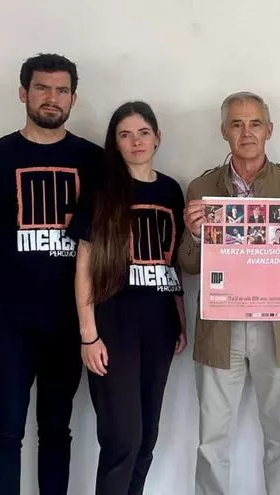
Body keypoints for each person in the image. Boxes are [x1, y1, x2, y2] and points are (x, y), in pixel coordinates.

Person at [0, 53, 100, 495]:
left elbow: (106, 243)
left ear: (73, 98)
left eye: (61, 90)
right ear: (24, 93)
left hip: (68, 322)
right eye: (41, 88)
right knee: (6, 429)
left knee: (56, 430)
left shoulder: (94, 160)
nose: (51, 98)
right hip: (7, 323)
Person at [178, 91, 280, 495]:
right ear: (223, 131)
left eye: (255, 123)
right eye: (237, 124)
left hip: (278, 328)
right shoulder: (202, 187)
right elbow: (188, 265)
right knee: (212, 441)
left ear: (269, 130)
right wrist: (194, 234)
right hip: (220, 326)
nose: (246, 132)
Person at [67, 101, 187, 495]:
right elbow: (84, 265)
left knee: (147, 438)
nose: (136, 141)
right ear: (115, 143)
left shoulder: (171, 190)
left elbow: (172, 261)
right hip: (112, 327)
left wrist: (180, 319)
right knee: (123, 440)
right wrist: (88, 334)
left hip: (159, 326)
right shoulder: (102, 191)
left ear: (157, 137)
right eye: (125, 135)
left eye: (143, 133)